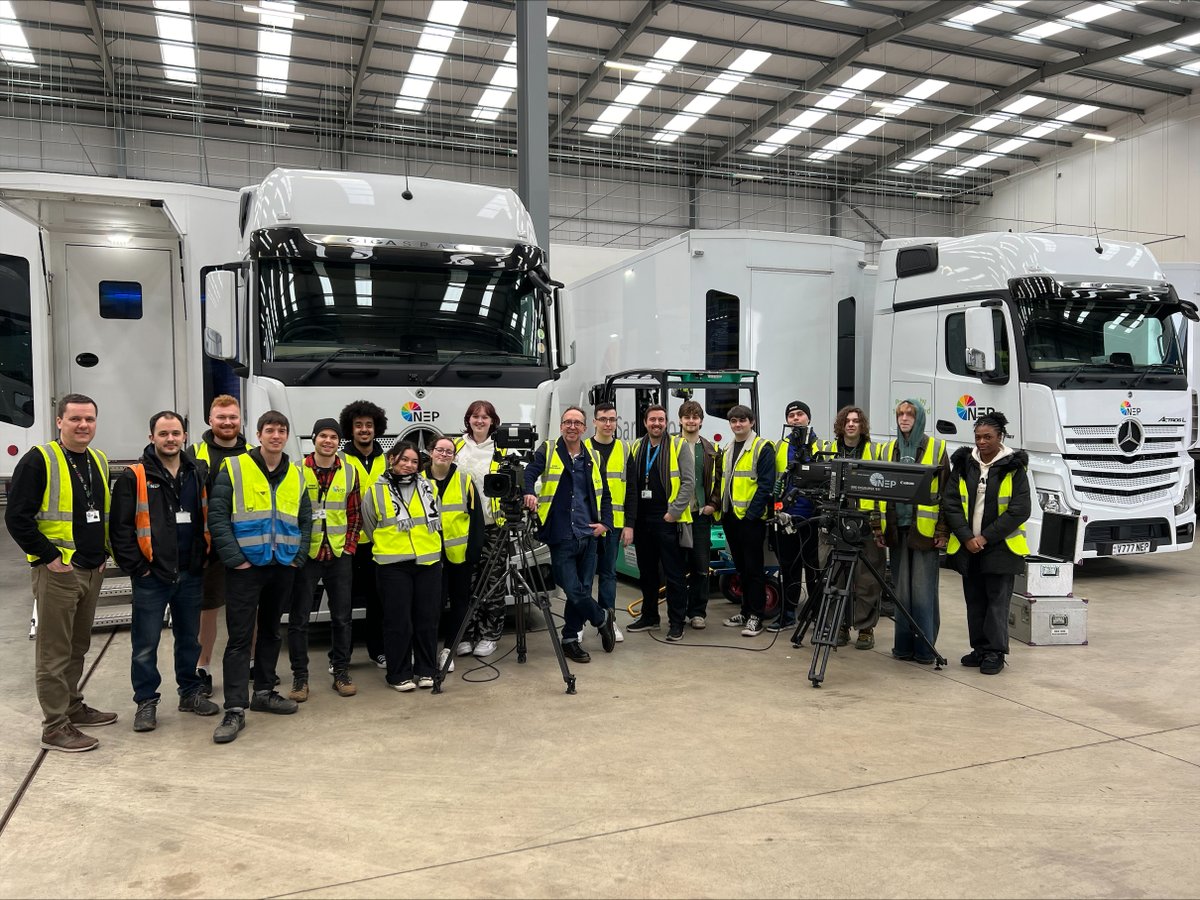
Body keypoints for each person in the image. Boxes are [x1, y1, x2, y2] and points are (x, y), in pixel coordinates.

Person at [5, 393, 118, 752]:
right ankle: (54, 726)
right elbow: (16, 518)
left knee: (78, 645)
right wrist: (48, 556)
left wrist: (103, 553)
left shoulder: (98, 460)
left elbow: (100, 510)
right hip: (58, 571)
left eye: (89, 419)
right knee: (53, 652)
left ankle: (71, 706)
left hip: (90, 567)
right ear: (59, 422)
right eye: (75, 419)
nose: (83, 425)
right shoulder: (39, 460)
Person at [111, 410, 220, 732]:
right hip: (152, 578)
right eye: (164, 434)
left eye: (176, 433)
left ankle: (190, 693)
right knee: (145, 644)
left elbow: (208, 516)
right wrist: (139, 569)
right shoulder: (135, 476)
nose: (170, 439)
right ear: (151, 438)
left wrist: (204, 558)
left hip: (190, 573)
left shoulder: (197, 472)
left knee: (189, 640)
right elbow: (120, 529)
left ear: (185, 436)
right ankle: (146, 702)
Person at [207, 410, 313, 744]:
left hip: (282, 566)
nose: (277, 435)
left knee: (271, 632)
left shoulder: (296, 474)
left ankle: (264, 691)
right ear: (259, 434)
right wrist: (235, 559)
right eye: (270, 430)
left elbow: (305, 518)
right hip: (245, 569)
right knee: (239, 639)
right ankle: (235, 708)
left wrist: (297, 558)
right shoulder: (235, 467)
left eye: (282, 430)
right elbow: (218, 516)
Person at [522, 406, 615, 664]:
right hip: (561, 533)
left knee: (584, 587)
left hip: (588, 532)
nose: (572, 427)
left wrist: (605, 524)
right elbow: (530, 471)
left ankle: (570, 639)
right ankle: (602, 618)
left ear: (585, 428)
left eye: (577, 423)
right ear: (561, 426)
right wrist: (529, 491)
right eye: (567, 422)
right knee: (573, 589)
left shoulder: (593, 456)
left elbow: (604, 493)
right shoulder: (549, 449)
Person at [942, 411, 1032, 676]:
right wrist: (967, 537)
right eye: (978, 437)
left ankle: (995, 652)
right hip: (968, 546)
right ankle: (979, 649)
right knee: (975, 600)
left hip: (1000, 546)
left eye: (988, 437)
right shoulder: (964, 464)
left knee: (997, 602)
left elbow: (1019, 510)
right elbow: (951, 503)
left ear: (1000, 437)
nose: (981, 442)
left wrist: (984, 537)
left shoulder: (1014, 467)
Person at [361, 442, 444, 691]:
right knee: (398, 621)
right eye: (404, 460)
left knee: (427, 619)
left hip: (428, 561)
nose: (409, 465)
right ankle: (399, 674)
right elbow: (369, 524)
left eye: (414, 461)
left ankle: (427, 670)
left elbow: (436, 517)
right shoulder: (375, 490)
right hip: (393, 565)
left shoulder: (429, 487)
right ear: (392, 459)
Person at [288, 418, 361, 701]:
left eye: (333, 437)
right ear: (314, 439)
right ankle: (300, 678)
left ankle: (341, 672)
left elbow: (354, 514)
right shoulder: (295, 471)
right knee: (299, 619)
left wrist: (350, 546)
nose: (328, 441)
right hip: (307, 555)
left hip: (339, 554)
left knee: (342, 618)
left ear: (338, 442)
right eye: (323, 436)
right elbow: (288, 511)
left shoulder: (349, 472)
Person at [875, 399, 949, 664]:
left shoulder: (937, 448)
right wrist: (877, 526)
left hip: (925, 533)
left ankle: (925, 650)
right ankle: (903, 647)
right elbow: (877, 491)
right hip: (896, 531)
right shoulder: (887, 449)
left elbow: (947, 494)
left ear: (919, 419)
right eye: (900, 414)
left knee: (922, 592)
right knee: (901, 593)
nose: (904, 418)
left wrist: (942, 530)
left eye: (910, 414)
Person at [188, 394, 252, 699]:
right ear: (210, 420)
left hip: (248, 543)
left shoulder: (254, 452)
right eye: (221, 417)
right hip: (209, 545)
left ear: (241, 420)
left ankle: (250, 664)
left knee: (251, 608)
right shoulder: (194, 453)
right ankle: (203, 669)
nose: (227, 422)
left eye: (233, 417)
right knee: (209, 610)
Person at [623, 404, 695, 642]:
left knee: (673, 574)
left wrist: (673, 513)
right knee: (647, 573)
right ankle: (650, 616)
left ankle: (677, 622)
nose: (656, 423)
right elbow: (631, 486)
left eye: (661, 420)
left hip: (667, 521)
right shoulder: (636, 446)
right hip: (643, 521)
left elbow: (688, 483)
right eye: (652, 419)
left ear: (667, 423)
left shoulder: (678, 445)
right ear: (645, 422)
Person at [821, 406, 885, 650]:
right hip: (835, 522)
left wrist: (879, 524)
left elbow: (884, 488)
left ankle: (866, 629)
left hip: (867, 522)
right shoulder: (827, 449)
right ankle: (839, 626)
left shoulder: (875, 450)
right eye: (847, 420)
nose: (851, 424)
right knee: (836, 578)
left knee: (868, 579)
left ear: (862, 425)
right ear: (840, 424)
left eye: (856, 421)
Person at [425, 436, 485, 674]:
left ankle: (449, 648)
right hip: (428, 556)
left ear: (454, 456)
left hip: (459, 555)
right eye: (440, 450)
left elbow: (476, 519)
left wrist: (473, 551)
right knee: (431, 605)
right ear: (430, 452)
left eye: (449, 451)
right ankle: (427, 650)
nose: (444, 454)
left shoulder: (464, 480)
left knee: (460, 602)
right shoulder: (419, 479)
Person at [340, 400, 389, 670]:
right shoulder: (341, 459)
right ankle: (341, 657)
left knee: (377, 600)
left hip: (380, 541)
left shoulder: (386, 460)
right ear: (351, 428)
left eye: (369, 425)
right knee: (343, 603)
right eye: (358, 425)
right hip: (347, 541)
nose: (364, 430)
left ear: (376, 428)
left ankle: (377, 650)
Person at [454, 399, 505, 658]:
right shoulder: (456, 446)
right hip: (462, 527)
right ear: (468, 419)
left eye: (485, 417)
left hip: (494, 525)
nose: (480, 421)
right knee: (466, 582)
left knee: (492, 581)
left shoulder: (503, 449)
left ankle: (489, 634)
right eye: (475, 416)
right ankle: (465, 634)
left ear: (493, 421)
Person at [719, 404, 775, 637]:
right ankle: (745, 610)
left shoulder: (763, 447)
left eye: (742, 420)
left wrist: (752, 514)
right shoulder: (729, 446)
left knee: (754, 570)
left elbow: (765, 484)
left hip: (750, 520)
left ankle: (756, 616)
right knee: (741, 568)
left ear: (751, 422)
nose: (737, 424)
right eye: (733, 421)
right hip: (731, 517)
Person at [772, 400, 822, 635]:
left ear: (808, 418)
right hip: (786, 518)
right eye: (791, 415)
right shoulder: (779, 446)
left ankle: (815, 614)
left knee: (814, 569)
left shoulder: (821, 444)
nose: (795, 418)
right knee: (788, 568)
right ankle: (788, 614)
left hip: (813, 518)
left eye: (800, 414)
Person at [584, 401, 628, 642]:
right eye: (603, 419)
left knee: (609, 574)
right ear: (595, 422)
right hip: (588, 524)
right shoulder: (584, 448)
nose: (608, 424)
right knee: (585, 575)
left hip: (615, 524)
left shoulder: (624, 448)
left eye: (612, 419)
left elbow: (630, 489)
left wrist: (629, 524)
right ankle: (579, 622)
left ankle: (609, 621)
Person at [679, 400, 720, 629]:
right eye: (687, 417)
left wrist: (712, 504)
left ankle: (697, 612)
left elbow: (718, 480)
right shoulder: (672, 446)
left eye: (695, 417)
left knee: (700, 566)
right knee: (677, 566)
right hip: (678, 515)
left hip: (700, 515)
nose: (691, 421)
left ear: (701, 421)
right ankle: (678, 610)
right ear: (681, 420)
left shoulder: (710, 450)